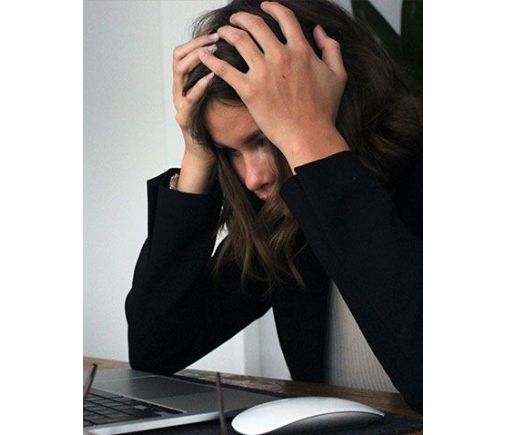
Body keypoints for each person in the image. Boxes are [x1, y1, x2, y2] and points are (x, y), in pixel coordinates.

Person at [125, 0, 422, 412]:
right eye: (231, 152)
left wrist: (310, 138)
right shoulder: (285, 222)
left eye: (264, 138)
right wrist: (197, 153)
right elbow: (156, 350)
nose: (254, 178)